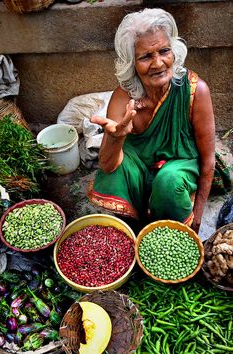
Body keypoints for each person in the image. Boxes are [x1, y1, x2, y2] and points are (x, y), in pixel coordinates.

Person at [88, 8, 215, 233]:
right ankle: (134, 226)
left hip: (180, 163)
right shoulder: (124, 96)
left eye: (164, 51)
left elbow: (208, 160)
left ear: (174, 51)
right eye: (146, 56)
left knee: (168, 181)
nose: (158, 63)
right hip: (139, 166)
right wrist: (116, 136)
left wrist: (197, 218)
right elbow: (107, 166)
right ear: (132, 63)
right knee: (116, 170)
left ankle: (172, 222)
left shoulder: (196, 91)